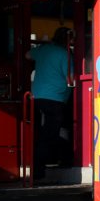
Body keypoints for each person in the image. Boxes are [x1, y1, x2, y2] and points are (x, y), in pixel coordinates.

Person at [26, 26, 74, 179]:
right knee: (52, 133)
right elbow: (71, 78)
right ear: (67, 40)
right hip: (56, 98)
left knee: (42, 132)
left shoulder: (44, 49)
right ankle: (40, 169)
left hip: (37, 96)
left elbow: (27, 55)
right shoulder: (65, 54)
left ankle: (38, 165)